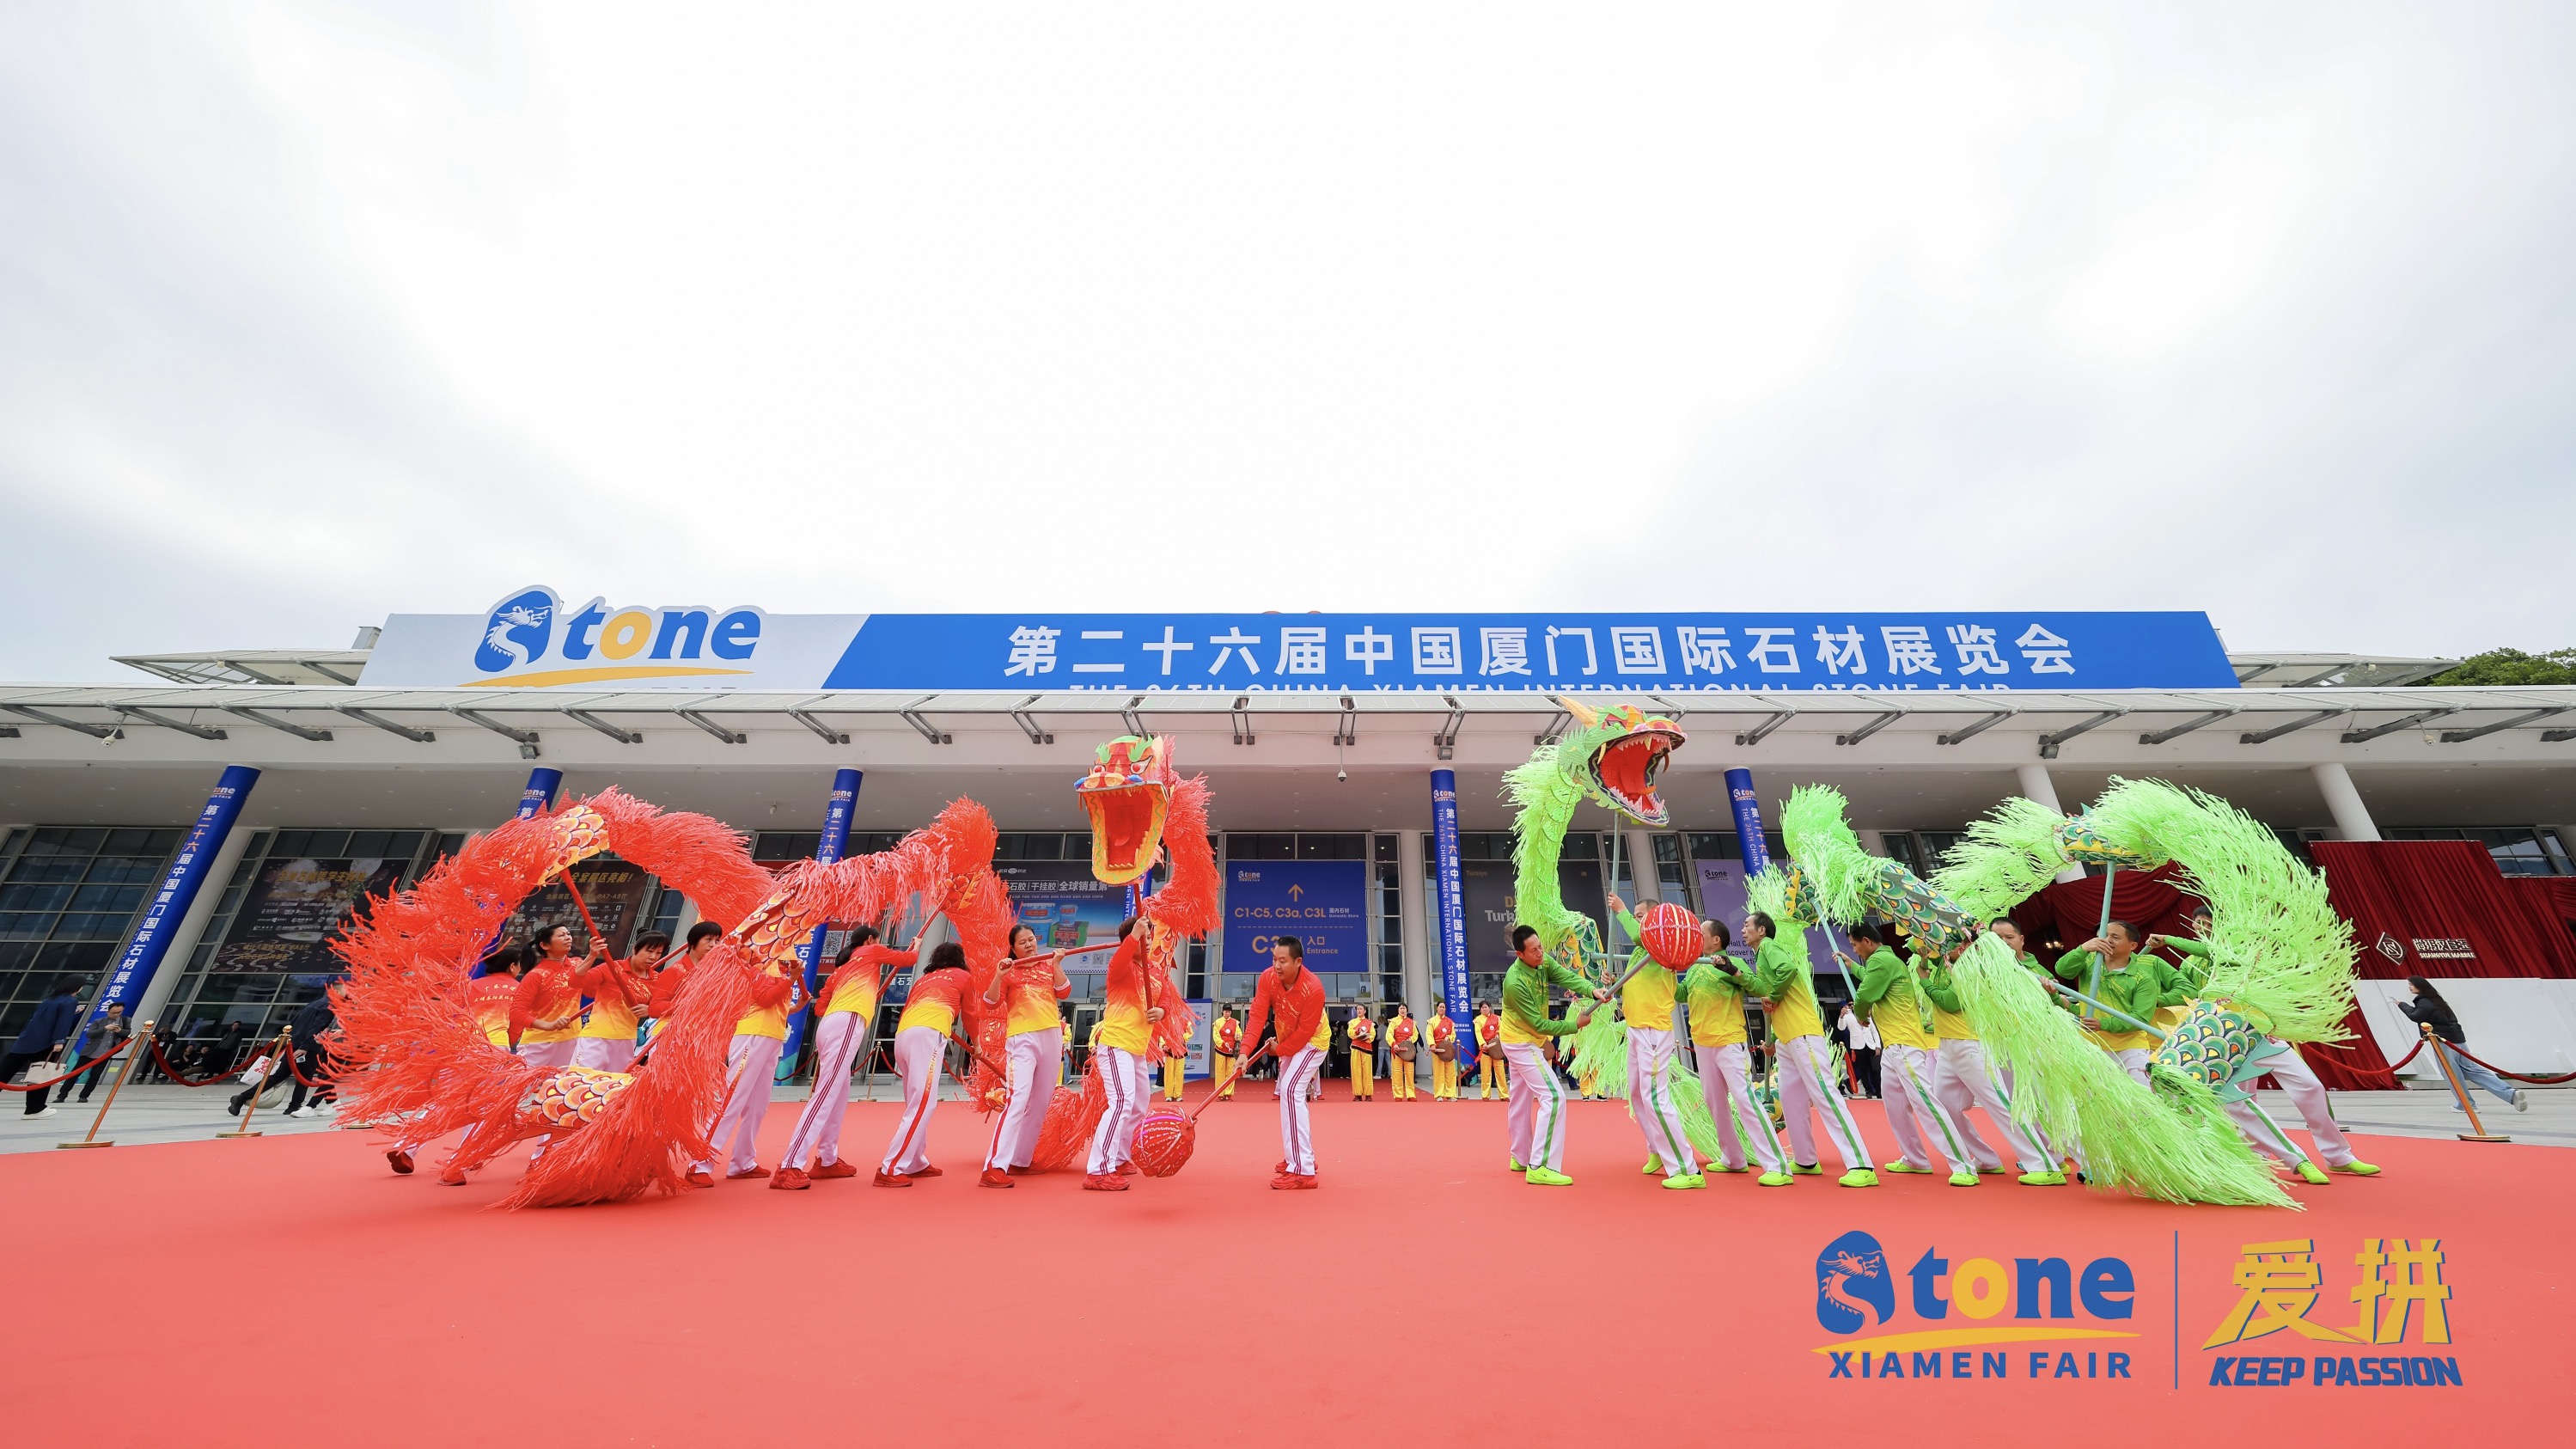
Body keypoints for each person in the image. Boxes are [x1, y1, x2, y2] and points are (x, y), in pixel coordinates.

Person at [2149, 914, 2384, 1181]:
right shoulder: (2196, 960)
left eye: (2207, 922)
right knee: (2240, 1101)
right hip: (2224, 1036)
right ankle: (2267, 1158)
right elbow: (2190, 984)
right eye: (2197, 923)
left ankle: (2339, 1156)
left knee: (2310, 1086)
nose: (2202, 928)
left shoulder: (2256, 954)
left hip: (2262, 1032)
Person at [776, 921, 926, 1190]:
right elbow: (908, 960)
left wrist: (861, 995)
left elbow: (820, 1007)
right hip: (847, 1022)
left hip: (832, 1024)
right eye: (878, 940)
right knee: (826, 1094)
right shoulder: (871, 951)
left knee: (838, 1094)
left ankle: (827, 1159)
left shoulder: (841, 969)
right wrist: (916, 946)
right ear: (870, 940)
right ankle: (789, 1165)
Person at [1842, 923, 1979, 1187]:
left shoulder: (1880, 961)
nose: (1855, 950)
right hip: (1894, 1045)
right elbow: (1869, 980)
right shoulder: (1886, 961)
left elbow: (1864, 995)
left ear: (1867, 941)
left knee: (1925, 1103)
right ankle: (1915, 1158)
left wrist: (1860, 1016)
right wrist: (1852, 966)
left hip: (1904, 1044)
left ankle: (1963, 1165)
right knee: (1895, 1105)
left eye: (1854, 945)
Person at [1745, 911, 1877, 1186]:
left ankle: (1861, 1164)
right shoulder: (1760, 956)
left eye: (1747, 925)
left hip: (1802, 1033)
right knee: (1791, 1099)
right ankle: (1805, 1159)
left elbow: (1788, 971)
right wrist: (1773, 1040)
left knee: (1825, 1095)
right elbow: (1776, 1004)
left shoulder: (1768, 947)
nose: (1743, 930)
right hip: (1787, 1038)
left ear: (1762, 930)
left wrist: (1773, 996)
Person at [1917, 941, 2062, 1185]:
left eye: (1945, 942)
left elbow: (1950, 1002)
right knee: (1946, 1106)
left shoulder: (1972, 967)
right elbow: (1922, 950)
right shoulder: (1946, 962)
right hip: (1948, 1045)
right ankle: (1986, 1159)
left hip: (1970, 1045)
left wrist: (1924, 980)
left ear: (1963, 946)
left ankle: (2044, 1165)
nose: (1939, 947)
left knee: (2001, 1105)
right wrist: (1923, 954)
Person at [687, 945, 805, 1186]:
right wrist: (791, 979)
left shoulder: (780, 970)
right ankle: (699, 1163)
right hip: (752, 1036)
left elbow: (776, 1006)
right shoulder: (757, 967)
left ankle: (742, 1161)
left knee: (757, 1106)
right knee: (731, 1099)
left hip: (772, 1037)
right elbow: (764, 999)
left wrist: (798, 1002)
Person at [1683, 919, 1788, 1184]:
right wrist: (1665, 971)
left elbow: (1760, 988)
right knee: (1715, 1103)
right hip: (1702, 1043)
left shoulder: (1732, 962)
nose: (1696, 938)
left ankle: (1777, 1165)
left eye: (1701, 934)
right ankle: (1733, 1158)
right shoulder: (1695, 967)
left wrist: (1732, 970)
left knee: (1745, 1100)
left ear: (1716, 940)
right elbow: (1681, 994)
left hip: (1729, 1042)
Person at [1608, 908, 1704, 1190]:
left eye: (1642, 916)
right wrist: (1614, 986)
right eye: (1637, 916)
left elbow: (1640, 935)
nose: (1639, 921)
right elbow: (1637, 985)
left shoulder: (1661, 942)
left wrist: (1621, 910)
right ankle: (1659, 1150)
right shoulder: (1642, 951)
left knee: (1655, 1098)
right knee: (1637, 1094)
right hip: (1637, 1027)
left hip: (1653, 1029)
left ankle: (1687, 1169)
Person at [1499, 925, 1600, 1186]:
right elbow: (1539, 1025)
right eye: (1533, 950)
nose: (1540, 953)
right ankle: (1540, 1165)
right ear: (1520, 954)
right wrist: (1574, 1025)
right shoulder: (1514, 983)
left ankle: (1521, 1156)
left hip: (1523, 1039)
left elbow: (1567, 977)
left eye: (1540, 946)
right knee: (1554, 1098)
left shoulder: (1543, 962)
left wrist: (1592, 990)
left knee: (1520, 1100)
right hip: (1521, 1042)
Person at [1082, 918, 1173, 1192]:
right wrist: (1134, 936)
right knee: (1121, 1102)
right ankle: (1099, 1170)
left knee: (1138, 1105)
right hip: (1116, 1044)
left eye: (1149, 937)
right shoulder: (1120, 967)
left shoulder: (1155, 971)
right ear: (1129, 940)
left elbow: (1165, 998)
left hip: (1137, 1049)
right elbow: (1120, 960)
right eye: (1143, 938)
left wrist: (1162, 1011)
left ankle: (1120, 1158)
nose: (1148, 942)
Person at [980, 925, 1074, 1188]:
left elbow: (1064, 992)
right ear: (1013, 948)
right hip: (1023, 1038)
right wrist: (999, 976)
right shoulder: (1009, 971)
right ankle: (993, 1166)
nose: (1029, 945)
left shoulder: (1047, 965)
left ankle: (1021, 1160)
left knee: (1041, 1102)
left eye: (1031, 939)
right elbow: (990, 1003)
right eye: (1022, 943)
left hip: (1051, 1036)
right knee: (1017, 1098)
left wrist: (1056, 964)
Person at [876, 942, 973, 1184]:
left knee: (916, 1102)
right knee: (923, 1104)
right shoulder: (963, 976)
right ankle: (891, 1168)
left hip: (903, 1036)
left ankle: (915, 1161)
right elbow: (970, 1014)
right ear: (960, 959)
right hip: (927, 1035)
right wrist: (978, 1044)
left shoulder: (924, 979)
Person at [1240, 934, 1328, 1189]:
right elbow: (1257, 1015)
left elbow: (1304, 1033)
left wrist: (1278, 1051)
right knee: (1288, 1095)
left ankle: (1303, 1170)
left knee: (1290, 1090)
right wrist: (1245, 1052)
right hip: (1289, 1039)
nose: (1276, 966)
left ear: (1298, 962)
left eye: (1283, 961)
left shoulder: (1314, 989)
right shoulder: (1268, 978)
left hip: (1313, 1042)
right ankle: (1299, 1157)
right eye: (1274, 959)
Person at [2054, 921, 2186, 1085]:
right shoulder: (2088, 962)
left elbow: (2139, 1019)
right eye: (2104, 935)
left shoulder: (2143, 979)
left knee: (2147, 1095)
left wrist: (2102, 1024)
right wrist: (2083, 949)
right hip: (2091, 1045)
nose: (2107, 940)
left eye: (2115, 937)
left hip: (2129, 1047)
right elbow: (2062, 970)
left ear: (2133, 945)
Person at [2397, 974, 2527, 1113]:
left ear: (2420, 986)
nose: (2410, 987)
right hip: (2458, 1040)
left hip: (2444, 1042)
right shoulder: (2437, 1000)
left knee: (2452, 1074)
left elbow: (2415, 1016)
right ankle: (2510, 1093)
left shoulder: (2424, 1002)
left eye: (2411, 984)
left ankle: (2466, 1104)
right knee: (2474, 1070)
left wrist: (2402, 1005)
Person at [231, 992, 339, 1120]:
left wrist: (291, 1041)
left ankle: (242, 1097)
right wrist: (305, 1046)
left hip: (293, 1043)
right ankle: (295, 1106)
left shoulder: (312, 1004)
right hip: (308, 1046)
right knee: (304, 1077)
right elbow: (316, 1027)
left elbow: (293, 1023)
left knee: (280, 1075)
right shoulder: (328, 1008)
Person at [572, 932, 664, 1072]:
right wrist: (592, 956)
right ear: (635, 949)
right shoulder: (611, 968)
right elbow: (575, 982)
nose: (653, 957)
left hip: (627, 1040)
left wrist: (649, 1009)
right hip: (598, 1037)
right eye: (649, 951)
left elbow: (664, 1006)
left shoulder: (657, 979)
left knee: (614, 1082)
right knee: (579, 1079)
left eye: (659, 953)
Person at [510, 923, 594, 1073]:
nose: (568, 938)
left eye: (568, 934)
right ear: (545, 945)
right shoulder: (536, 975)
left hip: (571, 1040)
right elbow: (517, 1013)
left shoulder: (577, 964)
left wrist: (593, 955)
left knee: (559, 1085)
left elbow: (590, 990)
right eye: (561, 935)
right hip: (539, 1043)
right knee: (523, 1084)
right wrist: (549, 1026)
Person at [4, 976, 86, 1119]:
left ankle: (34, 1109)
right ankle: (34, 1109)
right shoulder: (70, 1001)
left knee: (4, 1072)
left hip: (26, 1041)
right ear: (78, 987)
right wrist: (59, 1041)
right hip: (47, 1044)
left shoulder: (50, 999)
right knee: (41, 1076)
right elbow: (63, 1023)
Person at [57, 1001, 132, 1105]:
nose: (116, 1015)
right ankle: (62, 1095)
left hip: (105, 1054)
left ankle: (84, 1096)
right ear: (108, 1012)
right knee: (75, 1073)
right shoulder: (99, 1021)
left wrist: (119, 1030)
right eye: (113, 1013)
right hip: (89, 1052)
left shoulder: (125, 1020)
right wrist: (105, 1029)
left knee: (95, 1076)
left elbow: (127, 1033)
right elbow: (89, 1034)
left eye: (119, 1012)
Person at [1834, 1001, 1880, 1098]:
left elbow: (1874, 1032)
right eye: (1850, 1005)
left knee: (1875, 1069)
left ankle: (1879, 1090)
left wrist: (1878, 1046)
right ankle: (1869, 1090)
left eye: (1853, 1004)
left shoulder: (1866, 1014)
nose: (1851, 1006)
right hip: (1858, 1046)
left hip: (1870, 1045)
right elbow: (1841, 1028)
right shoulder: (1847, 1016)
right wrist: (1841, 1016)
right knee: (1863, 1070)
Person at [1474, 1003, 1506, 1099]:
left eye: (1486, 1007)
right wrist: (1483, 1044)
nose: (1484, 1009)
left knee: (1500, 1072)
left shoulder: (1497, 1018)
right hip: (1485, 1049)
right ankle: (1485, 1095)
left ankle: (1504, 1095)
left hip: (1496, 1049)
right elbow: (1478, 1032)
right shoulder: (1478, 1020)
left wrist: (1498, 1034)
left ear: (1489, 1008)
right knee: (1486, 1073)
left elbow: (1501, 1029)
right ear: (1480, 1010)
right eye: (1482, 1008)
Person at [1427, 1000, 1458, 1100]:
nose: (1442, 1009)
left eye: (1443, 1007)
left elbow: (1453, 1034)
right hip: (1437, 1050)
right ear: (1437, 1008)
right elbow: (1429, 1034)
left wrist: (1449, 1037)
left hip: (1448, 1050)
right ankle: (1439, 1094)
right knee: (1438, 1072)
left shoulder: (1450, 1022)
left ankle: (1450, 1094)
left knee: (1450, 1073)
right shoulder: (1432, 1021)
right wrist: (1432, 1045)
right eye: (1440, 1007)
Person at [1386, 1005, 1418, 1101]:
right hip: (1397, 1050)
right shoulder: (1393, 1021)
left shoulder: (1412, 1022)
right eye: (1401, 1008)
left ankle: (1411, 1095)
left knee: (1410, 1073)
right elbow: (1389, 1034)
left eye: (1404, 1008)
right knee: (1397, 1073)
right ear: (1398, 1010)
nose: (1403, 1010)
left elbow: (1415, 1034)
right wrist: (1393, 1044)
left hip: (1408, 1051)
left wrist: (1411, 1039)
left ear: (1407, 1010)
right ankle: (1398, 1095)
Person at [1346, 1003, 1377, 1101]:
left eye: (1361, 1009)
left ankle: (1368, 1094)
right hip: (1356, 1048)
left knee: (1367, 1071)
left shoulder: (1370, 1023)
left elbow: (1373, 1035)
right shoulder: (1352, 1022)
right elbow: (1350, 1033)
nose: (1359, 1011)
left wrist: (1367, 1038)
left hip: (1367, 1049)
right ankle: (1357, 1094)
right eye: (1358, 1009)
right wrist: (1356, 1032)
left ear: (1365, 1011)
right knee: (1356, 1071)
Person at [1212, 1006, 1242, 1098]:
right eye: (1226, 1011)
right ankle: (1220, 1094)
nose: (1227, 1013)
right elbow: (1216, 1036)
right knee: (1220, 1072)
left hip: (1231, 1051)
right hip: (1220, 1049)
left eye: (1229, 1012)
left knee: (1231, 1072)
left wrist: (1238, 1036)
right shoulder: (1218, 1022)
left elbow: (1239, 1033)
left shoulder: (1235, 1022)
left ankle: (1228, 1093)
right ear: (1223, 1011)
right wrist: (1222, 1043)